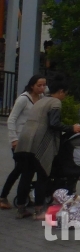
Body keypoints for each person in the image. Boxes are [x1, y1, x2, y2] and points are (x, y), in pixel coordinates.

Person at [13, 74, 80, 219]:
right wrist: (72, 128)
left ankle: (21, 209)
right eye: (65, 94)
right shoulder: (55, 103)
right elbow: (54, 124)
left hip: (25, 141)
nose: (65, 97)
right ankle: (39, 211)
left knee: (26, 176)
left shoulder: (40, 100)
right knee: (42, 176)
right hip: (39, 143)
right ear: (61, 92)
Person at [1, 75, 47, 210]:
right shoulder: (23, 99)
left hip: (32, 140)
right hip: (20, 139)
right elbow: (11, 119)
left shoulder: (42, 99)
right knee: (20, 169)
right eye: (39, 85)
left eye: (44, 85)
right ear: (32, 85)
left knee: (26, 171)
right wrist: (13, 139)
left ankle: (23, 198)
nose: (42, 88)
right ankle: (4, 196)